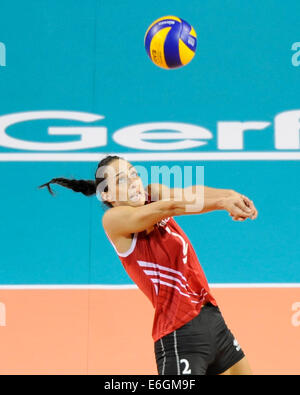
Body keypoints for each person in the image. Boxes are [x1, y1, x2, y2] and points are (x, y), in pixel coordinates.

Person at [39, 155, 258, 375]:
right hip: (180, 336)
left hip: (213, 320)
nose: (134, 182)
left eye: (134, 174)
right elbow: (169, 207)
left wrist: (231, 196)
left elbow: (191, 193)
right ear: (106, 193)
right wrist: (222, 202)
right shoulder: (114, 220)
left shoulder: (153, 193)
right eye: (122, 180)